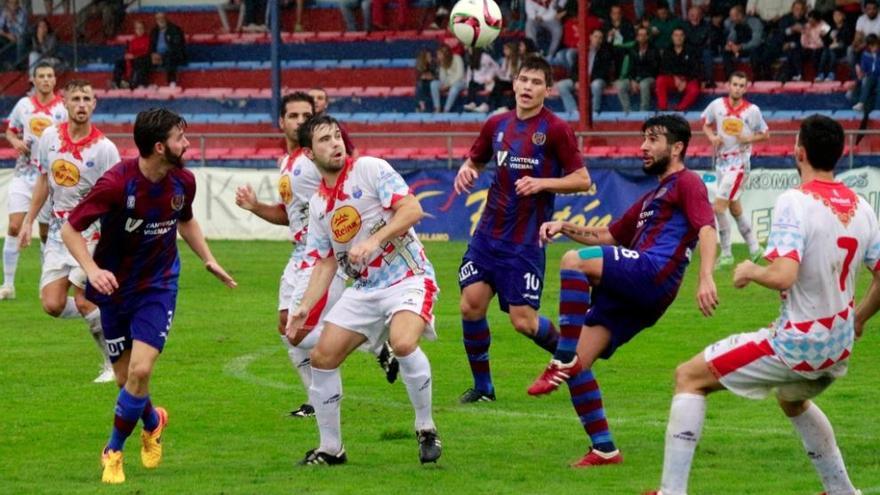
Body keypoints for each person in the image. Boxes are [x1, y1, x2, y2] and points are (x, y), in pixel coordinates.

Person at [647, 114, 879, 495]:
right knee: (793, 401)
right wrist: (860, 318)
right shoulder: (863, 207)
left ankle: (672, 492)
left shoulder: (794, 201)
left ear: (799, 152)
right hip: (838, 348)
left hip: (798, 346)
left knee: (688, 376)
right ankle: (841, 490)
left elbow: (784, 274)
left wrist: (750, 270)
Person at [527, 114, 718, 467]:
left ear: (677, 148)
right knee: (580, 367)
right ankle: (604, 449)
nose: (643, 146)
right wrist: (564, 225)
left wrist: (706, 275)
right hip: (638, 292)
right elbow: (609, 236)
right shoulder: (651, 198)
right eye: (643, 138)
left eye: (653, 140)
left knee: (574, 261)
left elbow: (706, 228)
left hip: (653, 272)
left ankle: (560, 357)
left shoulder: (688, 182)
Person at [61, 108, 237, 483]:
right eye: (180, 138)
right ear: (160, 147)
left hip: (158, 286)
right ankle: (154, 421)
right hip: (114, 290)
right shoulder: (115, 184)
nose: (187, 143)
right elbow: (70, 229)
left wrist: (208, 259)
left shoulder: (183, 182)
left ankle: (113, 451)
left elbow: (185, 219)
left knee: (141, 370)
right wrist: (92, 271)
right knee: (126, 379)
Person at [286, 114, 441, 465]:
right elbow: (325, 263)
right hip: (366, 288)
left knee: (403, 342)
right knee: (323, 358)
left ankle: (426, 427)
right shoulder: (318, 206)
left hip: (408, 276)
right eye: (324, 140)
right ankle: (331, 449)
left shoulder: (371, 169)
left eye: (337, 136)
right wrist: (304, 308)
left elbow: (412, 209)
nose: (335, 144)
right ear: (309, 154)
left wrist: (373, 240)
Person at [233, 92, 398, 418]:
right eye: (292, 116)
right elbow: (289, 214)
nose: (299, 121)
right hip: (299, 251)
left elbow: (344, 193)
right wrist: (255, 208)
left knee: (300, 333)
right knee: (287, 327)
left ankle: (373, 342)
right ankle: (316, 397)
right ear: (280, 122)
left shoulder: (313, 162)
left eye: (306, 115)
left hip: (321, 254)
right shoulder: (288, 163)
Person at [453, 55, 591, 404]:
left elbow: (582, 179)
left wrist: (542, 183)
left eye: (535, 82)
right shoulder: (496, 124)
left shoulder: (556, 129)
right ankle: (483, 388)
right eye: (523, 80)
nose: (527, 87)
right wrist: (466, 170)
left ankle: (569, 357)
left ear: (548, 89)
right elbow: (475, 159)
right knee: (470, 305)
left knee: (524, 322)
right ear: (513, 83)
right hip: (487, 235)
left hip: (524, 241)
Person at [19, 79, 119, 384]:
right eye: (75, 98)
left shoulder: (105, 149)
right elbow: (42, 181)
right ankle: (112, 314)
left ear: (94, 104)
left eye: (86, 99)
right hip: (59, 232)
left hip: (90, 232)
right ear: (64, 102)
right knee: (52, 304)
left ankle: (113, 362)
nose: (81, 104)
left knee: (85, 298)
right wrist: (28, 221)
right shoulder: (49, 137)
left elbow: (115, 197)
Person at [1, 62, 66, 301]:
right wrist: (15, 141)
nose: (46, 80)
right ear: (34, 80)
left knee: (46, 232)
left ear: (54, 80)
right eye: (42, 76)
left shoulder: (63, 107)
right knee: (15, 226)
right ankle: (8, 285)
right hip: (24, 173)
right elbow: (10, 130)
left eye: (50, 75)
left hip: (50, 177)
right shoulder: (24, 105)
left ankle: (45, 284)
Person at [702, 71, 768, 268]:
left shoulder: (752, 111)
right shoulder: (717, 105)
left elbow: (765, 134)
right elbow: (705, 124)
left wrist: (749, 139)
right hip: (721, 163)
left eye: (741, 85)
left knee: (718, 207)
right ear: (728, 86)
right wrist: (712, 137)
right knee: (734, 208)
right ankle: (755, 248)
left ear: (745, 88)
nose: (738, 88)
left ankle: (727, 253)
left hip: (739, 164)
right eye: (735, 84)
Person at [655, 28, 701, 112]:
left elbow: (696, 68)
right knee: (660, 80)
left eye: (681, 35)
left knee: (695, 90)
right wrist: (674, 77)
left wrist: (685, 80)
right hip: (672, 79)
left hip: (687, 80)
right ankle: (663, 108)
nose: (678, 38)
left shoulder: (691, 50)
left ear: (684, 37)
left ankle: (679, 109)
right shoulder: (667, 50)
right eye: (676, 35)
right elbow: (663, 68)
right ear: (672, 37)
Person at [150, 13, 187, 87]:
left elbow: (177, 46)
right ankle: (144, 84)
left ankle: (172, 82)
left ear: (166, 18)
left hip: (172, 54)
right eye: (158, 18)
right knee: (141, 60)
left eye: (162, 18)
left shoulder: (175, 29)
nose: (160, 20)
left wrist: (161, 56)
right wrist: (152, 54)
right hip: (157, 56)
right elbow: (151, 46)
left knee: (169, 57)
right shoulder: (154, 31)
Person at [112, 20, 151, 89]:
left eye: (141, 28)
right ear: (135, 29)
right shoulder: (133, 40)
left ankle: (132, 83)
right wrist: (127, 55)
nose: (139, 30)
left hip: (142, 59)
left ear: (144, 29)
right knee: (119, 62)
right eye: (137, 28)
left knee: (138, 62)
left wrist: (134, 56)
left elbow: (146, 52)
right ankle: (117, 82)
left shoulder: (147, 39)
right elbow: (129, 51)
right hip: (132, 59)